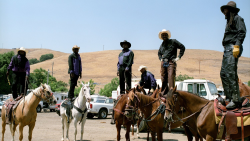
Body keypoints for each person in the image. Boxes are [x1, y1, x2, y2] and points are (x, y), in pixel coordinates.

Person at [220, 1, 246, 109]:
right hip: (227, 50)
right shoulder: (229, 21)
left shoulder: (237, 18)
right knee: (223, 73)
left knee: (230, 72)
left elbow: (242, 32)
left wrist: (237, 45)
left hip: (233, 48)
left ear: (230, 11)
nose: (224, 12)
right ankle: (229, 97)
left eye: (226, 10)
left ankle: (235, 100)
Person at [158, 29, 185, 95]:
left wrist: (178, 57)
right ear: (161, 37)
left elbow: (182, 47)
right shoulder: (162, 44)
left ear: (167, 35)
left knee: (170, 77)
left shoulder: (173, 41)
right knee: (163, 78)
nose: (164, 36)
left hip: (171, 62)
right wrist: (161, 58)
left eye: (165, 35)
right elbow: (159, 53)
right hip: (164, 63)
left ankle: (171, 93)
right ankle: (164, 93)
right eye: (163, 35)